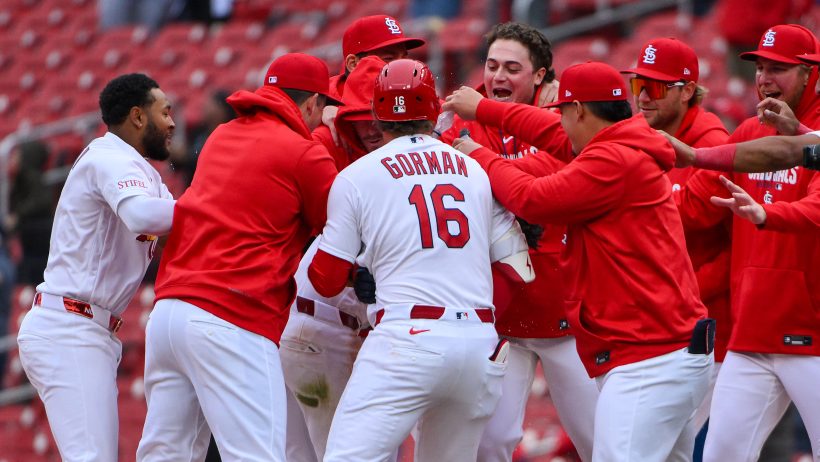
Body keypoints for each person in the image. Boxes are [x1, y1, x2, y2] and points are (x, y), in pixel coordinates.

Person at [445, 61, 714, 461]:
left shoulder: (614, 160)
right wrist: (484, 109)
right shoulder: (622, 140)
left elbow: (532, 199)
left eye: (565, 114)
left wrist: (478, 154)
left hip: (650, 359)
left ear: (579, 111)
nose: (562, 126)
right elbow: (548, 131)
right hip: (667, 350)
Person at [310, 59, 534, 462]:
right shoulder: (474, 170)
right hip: (478, 344)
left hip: (406, 337)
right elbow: (518, 268)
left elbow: (324, 279)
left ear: (379, 114)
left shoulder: (357, 175)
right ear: (433, 109)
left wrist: (360, 271)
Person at [136, 53, 339, 461]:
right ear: (313, 104)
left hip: (169, 316)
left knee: (164, 455)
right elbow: (340, 229)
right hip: (232, 317)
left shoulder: (223, 134)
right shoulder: (305, 153)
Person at [442, 22, 599, 462]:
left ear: (541, 77)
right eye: (492, 66)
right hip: (499, 314)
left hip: (564, 310)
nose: (498, 77)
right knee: (489, 444)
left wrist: (487, 163)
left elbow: (553, 185)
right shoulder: (458, 121)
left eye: (513, 68)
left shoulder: (566, 120)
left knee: (601, 443)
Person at [673, 24, 820, 462]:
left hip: (813, 337)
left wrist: (766, 213)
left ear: (812, 74)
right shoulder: (752, 131)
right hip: (750, 336)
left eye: (779, 69)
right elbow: (694, 205)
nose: (765, 78)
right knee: (721, 456)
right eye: (760, 67)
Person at [15, 73, 177, 461]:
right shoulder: (109, 158)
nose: (172, 122)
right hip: (69, 326)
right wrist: (214, 205)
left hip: (88, 328)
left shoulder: (145, 173)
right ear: (138, 117)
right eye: (164, 111)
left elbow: (179, 224)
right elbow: (142, 216)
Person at [278, 54, 388, 461]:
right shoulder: (320, 146)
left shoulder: (405, 156)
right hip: (317, 328)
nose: (374, 126)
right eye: (362, 115)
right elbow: (325, 272)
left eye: (383, 117)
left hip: (347, 328)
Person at [620, 37, 731, 433]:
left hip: (705, 329)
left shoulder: (714, 143)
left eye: (656, 87)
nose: (644, 96)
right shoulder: (638, 132)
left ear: (687, 92)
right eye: (638, 85)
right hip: (653, 321)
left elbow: (697, 218)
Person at [329, 14, 425, 101]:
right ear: (353, 64)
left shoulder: (412, 95)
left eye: (404, 58)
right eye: (389, 59)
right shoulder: (320, 109)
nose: (402, 67)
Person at [8, 140, 55, 284]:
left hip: (39, 240)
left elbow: (42, 202)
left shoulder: (32, 177)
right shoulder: (22, 178)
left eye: (18, 155)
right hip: (31, 241)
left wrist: (18, 215)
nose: (14, 158)